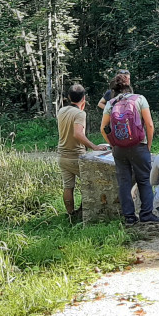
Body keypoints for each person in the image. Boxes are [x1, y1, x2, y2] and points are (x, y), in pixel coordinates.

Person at [100, 73, 159, 225]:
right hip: (139, 145)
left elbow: (103, 128)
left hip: (119, 148)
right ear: (130, 87)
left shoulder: (111, 103)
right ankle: (146, 214)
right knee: (144, 179)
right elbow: (150, 125)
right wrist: (148, 145)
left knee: (124, 182)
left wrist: (113, 144)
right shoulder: (139, 99)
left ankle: (129, 217)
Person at [57, 84, 108, 221]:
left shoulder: (61, 111)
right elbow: (78, 134)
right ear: (84, 98)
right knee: (92, 183)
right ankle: (89, 213)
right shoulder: (80, 113)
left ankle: (71, 215)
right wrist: (94, 147)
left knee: (68, 187)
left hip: (62, 156)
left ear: (68, 97)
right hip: (76, 156)